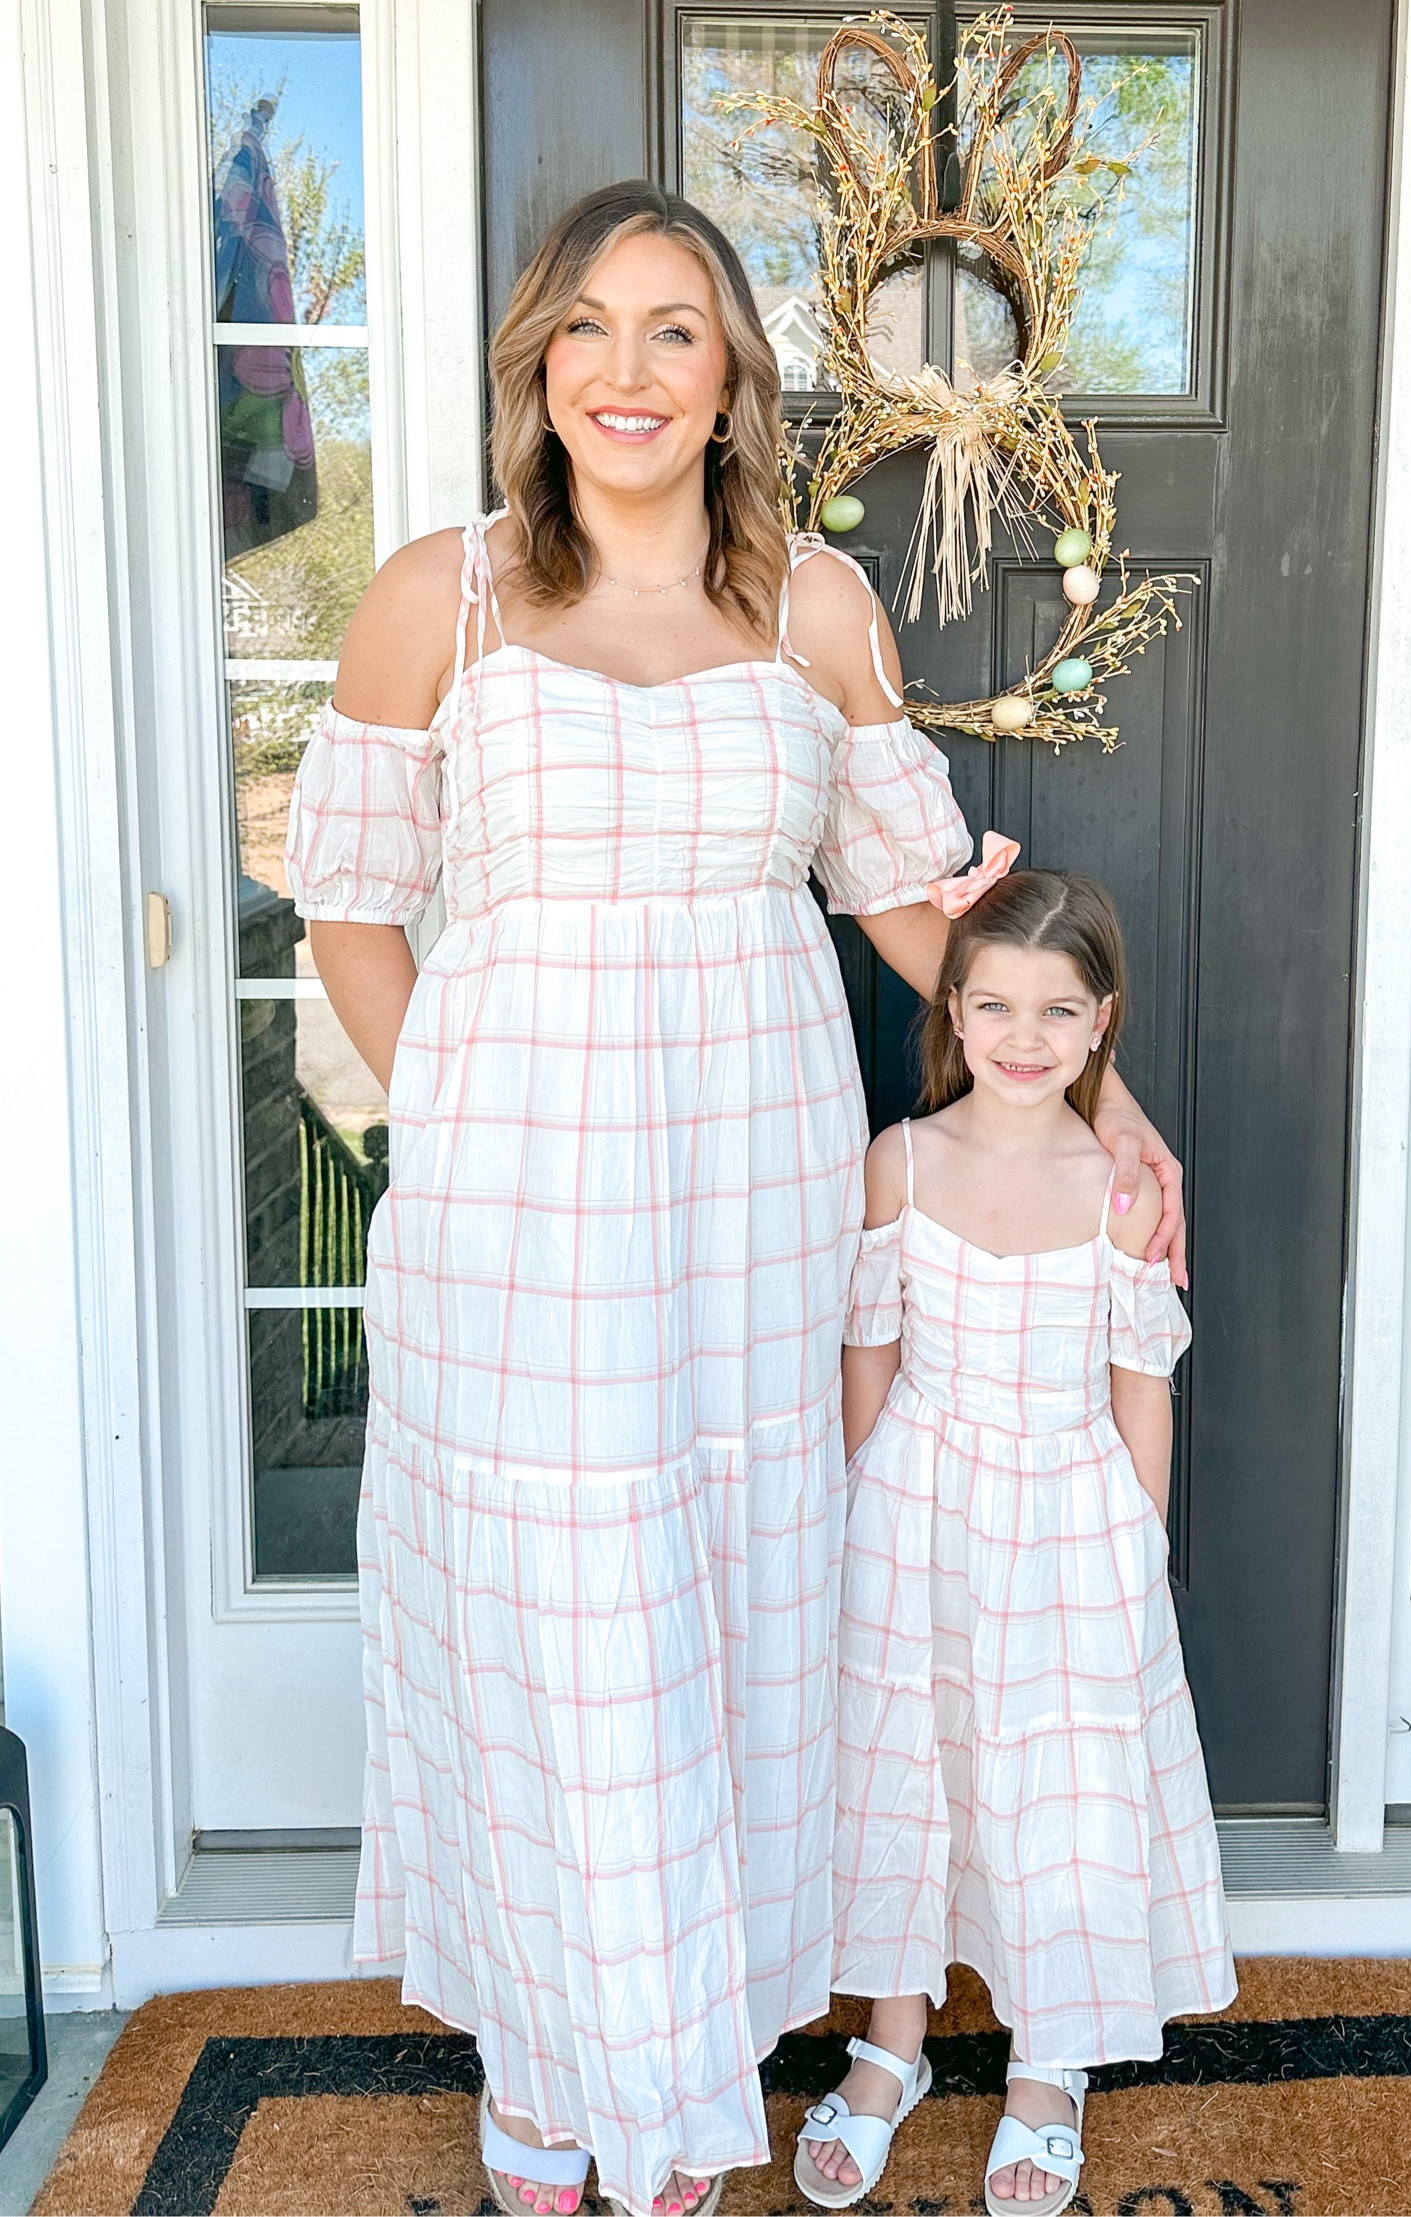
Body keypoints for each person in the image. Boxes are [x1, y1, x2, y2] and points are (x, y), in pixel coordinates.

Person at [285, 181, 1189, 2217]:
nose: (625, 369)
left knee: (726, 1606)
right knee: (542, 1618)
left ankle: (684, 2066)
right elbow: (349, 910)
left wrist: (1109, 1112)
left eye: (672, 329)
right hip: (518, 1199)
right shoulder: (445, 597)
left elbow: (911, 911)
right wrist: (467, 1115)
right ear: (537, 365)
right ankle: (548, 2058)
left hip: (759, 1188)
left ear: (729, 378)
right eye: (587, 328)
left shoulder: (812, 611)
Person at [797, 849, 1233, 2217]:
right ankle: (891, 2042)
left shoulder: (1118, 1187)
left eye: (1058, 1011)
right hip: (916, 1508)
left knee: (1056, 1795)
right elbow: (867, 1361)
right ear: (951, 1011)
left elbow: (1137, 1388)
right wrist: (857, 1521)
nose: (1024, 1039)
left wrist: (1136, 1556)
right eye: (994, 1007)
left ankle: (1049, 2063)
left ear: (1100, 1022)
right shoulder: (900, 1162)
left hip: (1064, 1518)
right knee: (905, 1770)